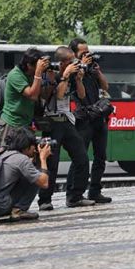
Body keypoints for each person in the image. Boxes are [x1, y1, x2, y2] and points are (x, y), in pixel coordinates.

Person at [37, 47, 93, 210]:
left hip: (67, 121)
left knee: (81, 157)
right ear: (62, 63)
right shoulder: (50, 74)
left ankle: (75, 197)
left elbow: (82, 96)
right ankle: (45, 200)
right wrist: (65, 76)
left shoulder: (72, 74)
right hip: (52, 121)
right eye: (70, 61)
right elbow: (59, 95)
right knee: (52, 162)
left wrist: (78, 80)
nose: (74, 64)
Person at [68, 38, 112, 204]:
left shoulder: (92, 68)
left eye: (88, 52)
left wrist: (97, 71)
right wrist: (82, 68)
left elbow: (105, 86)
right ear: (75, 55)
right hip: (83, 117)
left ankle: (95, 191)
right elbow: (79, 94)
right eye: (83, 53)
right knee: (80, 157)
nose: (87, 55)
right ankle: (73, 194)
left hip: (99, 116)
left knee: (101, 156)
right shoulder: (72, 70)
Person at [0, 128, 51, 221]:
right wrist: (43, 158)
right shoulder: (21, 159)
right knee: (36, 177)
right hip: (0, 207)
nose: (35, 148)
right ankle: (19, 210)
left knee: (30, 174)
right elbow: (44, 183)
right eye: (33, 145)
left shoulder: (3, 153)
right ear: (26, 145)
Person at [0, 48, 50, 144]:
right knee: (8, 154)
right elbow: (32, 95)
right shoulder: (15, 75)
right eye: (38, 66)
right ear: (29, 65)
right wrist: (38, 73)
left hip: (26, 122)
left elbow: (45, 95)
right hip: (12, 123)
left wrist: (51, 77)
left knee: (28, 154)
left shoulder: (33, 75)